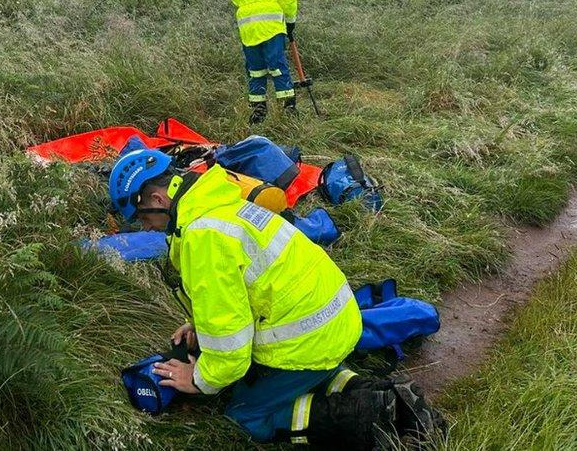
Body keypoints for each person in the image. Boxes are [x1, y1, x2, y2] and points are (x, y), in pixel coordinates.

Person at [109, 148, 445, 448]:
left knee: (245, 415)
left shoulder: (203, 237)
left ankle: (375, 414)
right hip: (336, 323)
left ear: (156, 200)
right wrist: (201, 323)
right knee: (301, 374)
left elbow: (230, 345)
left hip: (310, 340)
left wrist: (198, 380)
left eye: (141, 218)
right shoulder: (218, 203)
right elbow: (248, 285)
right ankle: (370, 389)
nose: (146, 228)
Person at [228, 0, 299, 125]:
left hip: (247, 26)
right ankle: (288, 108)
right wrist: (290, 20)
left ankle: (259, 110)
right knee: (277, 65)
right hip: (271, 24)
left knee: (255, 68)